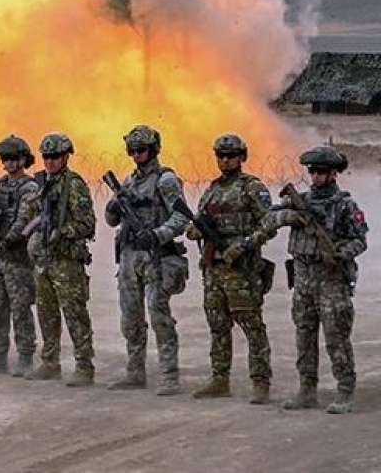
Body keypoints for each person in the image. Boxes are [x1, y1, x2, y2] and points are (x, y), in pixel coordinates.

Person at [263, 145, 368, 414]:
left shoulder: (344, 205)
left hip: (331, 280)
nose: (316, 176)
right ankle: (307, 390)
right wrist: (290, 217)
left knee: (336, 336)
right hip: (303, 278)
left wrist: (339, 253)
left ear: (333, 173)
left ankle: (345, 390)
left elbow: (359, 240)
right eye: (312, 171)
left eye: (321, 172)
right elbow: (268, 217)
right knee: (304, 335)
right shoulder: (301, 201)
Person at [187, 134, 274, 404]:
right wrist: (195, 229)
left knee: (251, 325)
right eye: (221, 156)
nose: (225, 160)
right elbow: (201, 219)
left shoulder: (252, 188)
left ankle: (260, 381)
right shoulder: (212, 190)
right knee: (217, 325)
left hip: (240, 269)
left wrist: (244, 245)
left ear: (242, 157)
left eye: (231, 155)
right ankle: (219, 379)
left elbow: (269, 224)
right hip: (214, 269)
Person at [104, 125, 189, 395]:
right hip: (130, 258)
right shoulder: (128, 182)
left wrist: (157, 235)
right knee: (130, 318)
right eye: (132, 150)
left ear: (153, 150)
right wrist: (112, 208)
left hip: (156, 257)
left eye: (141, 150)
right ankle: (135, 372)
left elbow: (182, 217)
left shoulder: (166, 180)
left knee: (158, 316)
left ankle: (169, 375)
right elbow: (111, 221)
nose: (137, 155)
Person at [14, 133, 96, 386]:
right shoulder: (42, 184)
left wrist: (62, 231)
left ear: (65, 157)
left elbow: (88, 224)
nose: (50, 161)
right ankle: (50, 362)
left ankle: (84, 366)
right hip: (44, 260)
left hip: (66, 261)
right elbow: (30, 216)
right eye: (46, 157)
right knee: (46, 312)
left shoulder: (74, 185)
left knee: (74, 314)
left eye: (55, 156)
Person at [0, 135, 38, 377]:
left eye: (13, 158)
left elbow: (25, 218)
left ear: (23, 159)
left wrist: (8, 240)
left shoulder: (29, 187)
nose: (8, 163)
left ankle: (25, 356)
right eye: (5, 158)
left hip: (16, 257)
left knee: (20, 307)